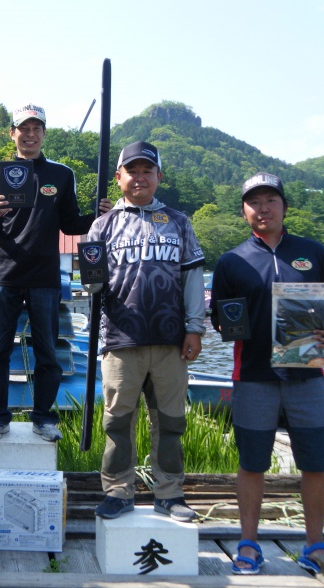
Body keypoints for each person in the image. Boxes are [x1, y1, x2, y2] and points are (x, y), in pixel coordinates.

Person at [211, 172, 324, 575]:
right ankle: (248, 543)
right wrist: (225, 324)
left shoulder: (312, 252)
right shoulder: (231, 260)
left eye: (271, 200)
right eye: (254, 202)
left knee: (316, 463)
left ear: (284, 206)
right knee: (252, 463)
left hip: (307, 376)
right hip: (253, 377)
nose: (263, 208)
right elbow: (220, 316)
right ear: (244, 211)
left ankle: (314, 543)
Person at [86, 141, 206, 523]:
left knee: (170, 422)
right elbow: (90, 284)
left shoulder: (179, 222)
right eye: (131, 171)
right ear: (118, 177)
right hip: (121, 339)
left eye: (146, 171)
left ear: (158, 177)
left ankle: (169, 493)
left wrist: (195, 329)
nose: (139, 177)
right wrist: (87, 272)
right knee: (117, 421)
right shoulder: (102, 224)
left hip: (171, 341)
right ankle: (118, 491)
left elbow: (192, 279)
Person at [0, 103, 111, 442]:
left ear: (44, 134)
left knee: (48, 352)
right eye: (24, 128)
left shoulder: (62, 174)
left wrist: (99, 216)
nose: (30, 134)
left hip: (45, 278)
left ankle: (43, 417)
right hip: (4, 275)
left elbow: (70, 224)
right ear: (13, 134)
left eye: (37, 128)